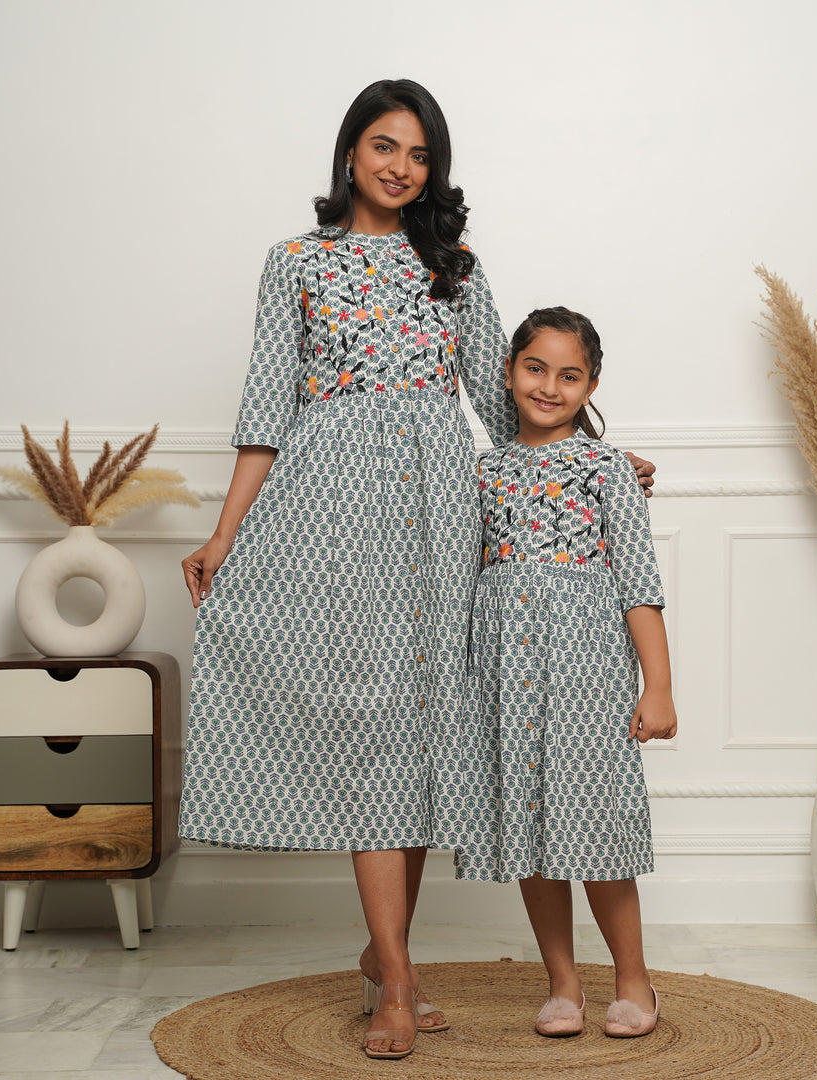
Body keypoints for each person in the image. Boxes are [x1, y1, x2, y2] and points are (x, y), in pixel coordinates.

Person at [179, 81, 655, 1061]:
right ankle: (396, 980)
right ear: (350, 152)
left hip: (441, 519)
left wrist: (594, 461)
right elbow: (266, 408)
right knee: (371, 727)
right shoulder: (295, 263)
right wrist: (226, 534)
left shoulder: (453, 267)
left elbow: (504, 396)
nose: (401, 167)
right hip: (332, 514)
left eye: (420, 154)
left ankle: (382, 950)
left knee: (424, 733)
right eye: (384, 145)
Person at [456, 306, 678, 1040]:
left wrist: (658, 687)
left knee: (598, 830)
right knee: (531, 832)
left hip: (587, 673)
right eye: (535, 368)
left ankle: (634, 981)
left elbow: (639, 585)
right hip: (502, 673)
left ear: (590, 386)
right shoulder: (482, 472)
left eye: (569, 375)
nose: (549, 386)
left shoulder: (607, 470)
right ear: (509, 372)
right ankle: (562, 985)